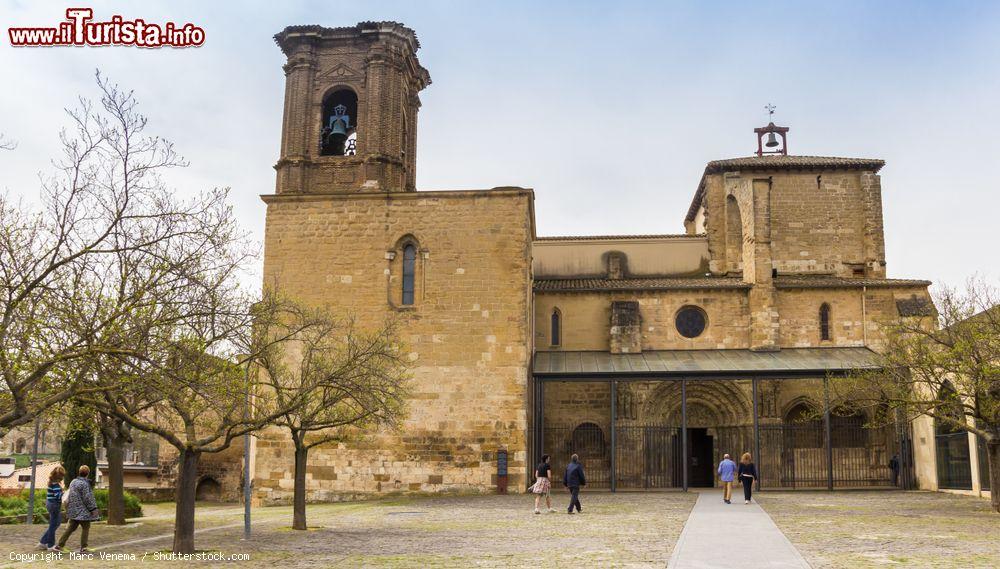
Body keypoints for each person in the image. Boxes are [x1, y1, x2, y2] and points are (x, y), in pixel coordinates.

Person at [55, 465, 99, 553]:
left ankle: (60, 545)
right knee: (86, 527)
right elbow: (87, 498)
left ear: (79, 472)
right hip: (83, 512)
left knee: (70, 528)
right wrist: (93, 509)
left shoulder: (73, 482)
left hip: (73, 510)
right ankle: (84, 547)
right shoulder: (85, 484)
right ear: (88, 474)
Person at [37, 466, 65, 551]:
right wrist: (65, 494)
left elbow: (56, 494)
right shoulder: (55, 484)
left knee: (56, 523)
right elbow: (58, 496)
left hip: (50, 504)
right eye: (62, 476)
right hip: (54, 505)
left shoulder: (51, 483)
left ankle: (42, 542)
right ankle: (50, 545)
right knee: (54, 525)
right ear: (59, 476)